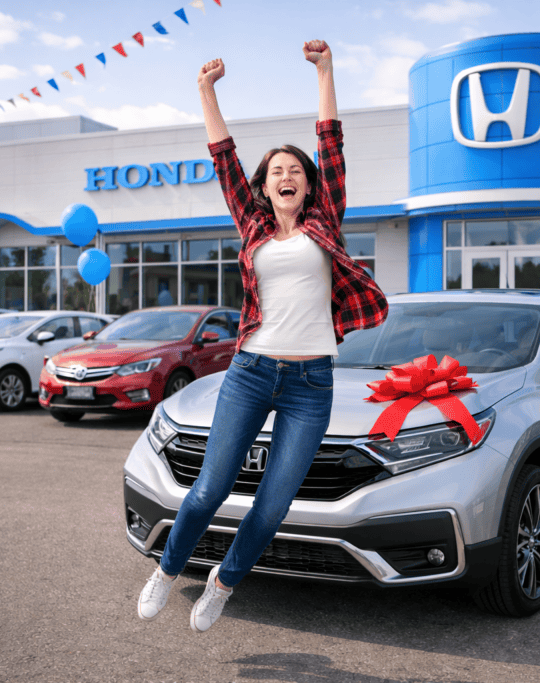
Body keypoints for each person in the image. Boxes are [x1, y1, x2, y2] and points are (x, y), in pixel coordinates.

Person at [136, 39, 388, 633]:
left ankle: (223, 584)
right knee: (209, 490)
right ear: (265, 186)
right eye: (277, 171)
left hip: (310, 383)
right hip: (250, 372)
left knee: (273, 506)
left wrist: (325, 71)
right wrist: (205, 91)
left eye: (295, 171)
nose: (287, 176)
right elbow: (223, 159)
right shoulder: (251, 226)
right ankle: (167, 571)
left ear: (309, 186)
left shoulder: (326, 221)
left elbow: (331, 143)